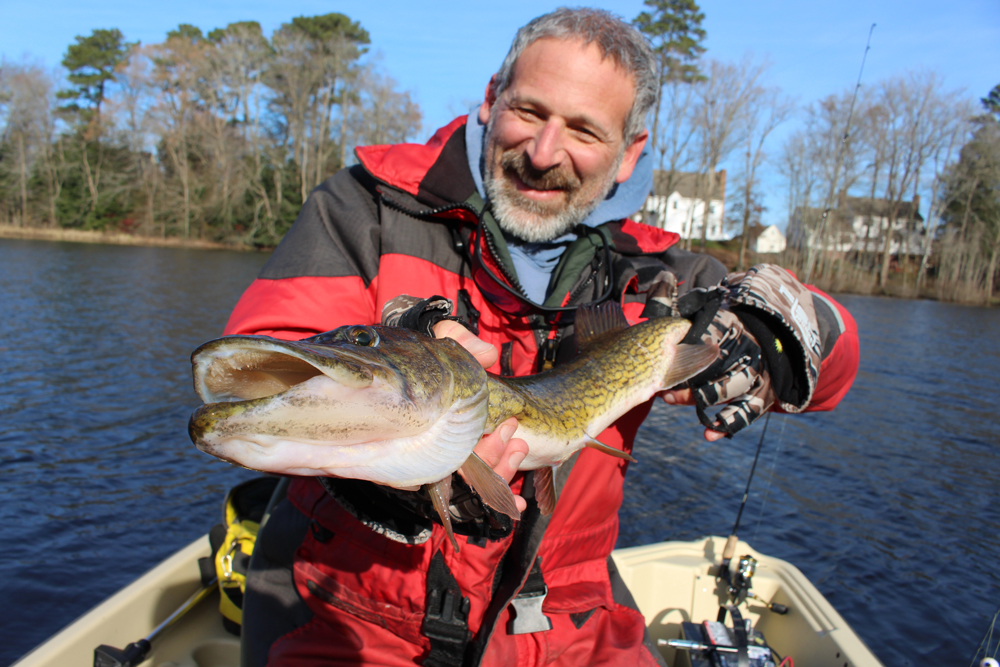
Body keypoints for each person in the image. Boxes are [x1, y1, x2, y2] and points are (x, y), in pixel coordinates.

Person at [224, 8, 859, 667]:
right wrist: (399, 459)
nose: (544, 152)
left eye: (584, 130)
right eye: (529, 111)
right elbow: (273, 349)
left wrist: (768, 328)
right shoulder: (368, 209)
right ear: (492, 97)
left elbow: (837, 363)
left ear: (630, 150)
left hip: (567, 627)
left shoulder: (660, 279)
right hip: (351, 613)